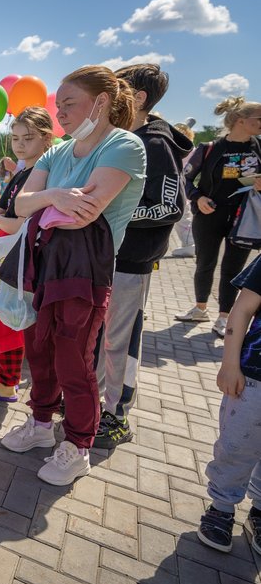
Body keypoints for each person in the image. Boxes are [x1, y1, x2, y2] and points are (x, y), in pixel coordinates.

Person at [0, 65, 146, 486]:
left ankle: (78, 445)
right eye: (58, 104)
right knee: (38, 349)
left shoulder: (125, 145)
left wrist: (47, 204)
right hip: (41, 265)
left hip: (86, 273)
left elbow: (85, 213)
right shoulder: (58, 151)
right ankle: (41, 424)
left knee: (73, 358)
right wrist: (54, 198)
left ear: (100, 102)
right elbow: (20, 206)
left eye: (68, 103)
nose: (59, 112)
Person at [94, 64, 192, 449]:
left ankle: (116, 415)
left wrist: (111, 212)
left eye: (116, 91)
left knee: (119, 341)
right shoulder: (118, 141)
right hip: (104, 259)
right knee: (99, 337)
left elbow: (170, 206)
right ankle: (94, 402)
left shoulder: (155, 144)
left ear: (138, 99)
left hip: (131, 263)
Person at [0, 107, 54, 402]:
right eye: (15, 137)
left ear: (46, 139)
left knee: (2, 315)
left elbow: (22, 222)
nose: (19, 144)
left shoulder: (45, 173)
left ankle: (7, 382)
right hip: (3, 254)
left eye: (27, 138)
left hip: (20, 259)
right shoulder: (23, 173)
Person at [174, 97, 261, 337]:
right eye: (259, 119)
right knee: (205, 263)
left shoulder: (259, 148)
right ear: (242, 121)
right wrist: (198, 199)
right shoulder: (210, 148)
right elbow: (186, 179)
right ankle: (200, 308)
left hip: (245, 219)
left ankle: (224, 317)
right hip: (209, 214)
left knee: (233, 268)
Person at [197, 255, 261, 555]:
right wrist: (230, 364)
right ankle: (221, 507)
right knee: (236, 444)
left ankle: (258, 510)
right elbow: (242, 310)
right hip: (254, 378)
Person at [171, 122, 197, 257]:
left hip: (175, 189)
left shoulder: (173, 149)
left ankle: (190, 244)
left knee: (183, 219)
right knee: (184, 218)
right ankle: (189, 243)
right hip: (183, 189)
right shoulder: (193, 151)